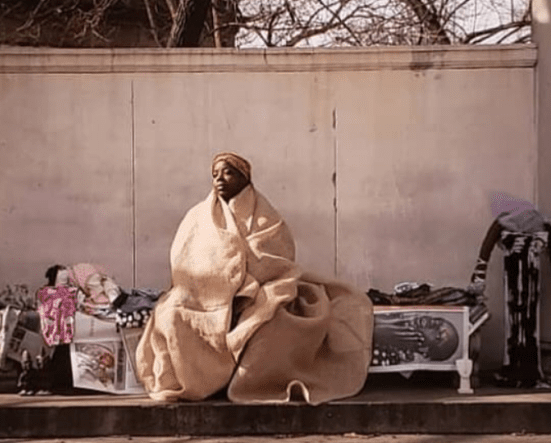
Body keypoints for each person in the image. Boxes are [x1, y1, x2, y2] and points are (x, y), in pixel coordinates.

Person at [135, 152, 373, 404]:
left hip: (259, 287)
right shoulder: (196, 216)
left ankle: (249, 381)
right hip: (203, 292)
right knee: (170, 312)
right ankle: (196, 383)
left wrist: (244, 282)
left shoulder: (266, 216)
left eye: (227, 172)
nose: (220, 179)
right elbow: (185, 261)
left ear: (244, 177)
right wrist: (219, 282)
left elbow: (277, 257)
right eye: (215, 174)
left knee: (272, 317)